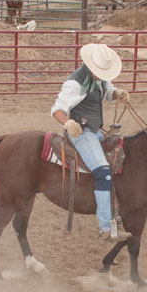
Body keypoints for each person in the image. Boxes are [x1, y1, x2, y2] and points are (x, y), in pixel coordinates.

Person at [51, 43, 132, 242]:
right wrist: (68, 122)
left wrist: (117, 93)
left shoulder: (101, 78)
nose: (101, 75)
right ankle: (105, 228)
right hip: (82, 133)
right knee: (104, 172)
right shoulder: (75, 83)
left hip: (95, 130)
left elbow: (107, 91)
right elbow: (57, 109)